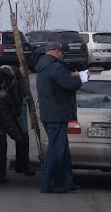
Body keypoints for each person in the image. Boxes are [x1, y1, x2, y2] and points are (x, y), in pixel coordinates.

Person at [36, 40, 84, 193]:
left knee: (62, 150)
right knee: (56, 150)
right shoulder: (55, 67)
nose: (62, 55)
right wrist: (79, 77)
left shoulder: (44, 66)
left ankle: (66, 182)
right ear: (55, 51)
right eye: (61, 52)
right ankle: (47, 184)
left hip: (50, 113)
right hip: (57, 114)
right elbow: (71, 84)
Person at [0, 65, 33, 183]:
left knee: (24, 138)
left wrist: (26, 93)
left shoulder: (12, 72)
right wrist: (16, 136)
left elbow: (22, 80)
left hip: (15, 109)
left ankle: (23, 166)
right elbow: (5, 119)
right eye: (1, 87)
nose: (3, 88)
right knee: (0, 143)